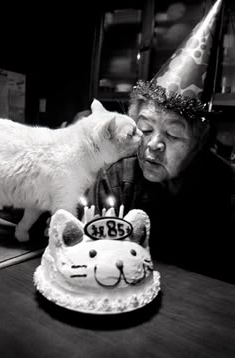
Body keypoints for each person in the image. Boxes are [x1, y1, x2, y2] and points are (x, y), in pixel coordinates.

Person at [79, 0, 234, 283]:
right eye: (145, 128)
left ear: (199, 143)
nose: (153, 145)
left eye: (173, 135)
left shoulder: (226, 187)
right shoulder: (119, 175)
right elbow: (86, 243)